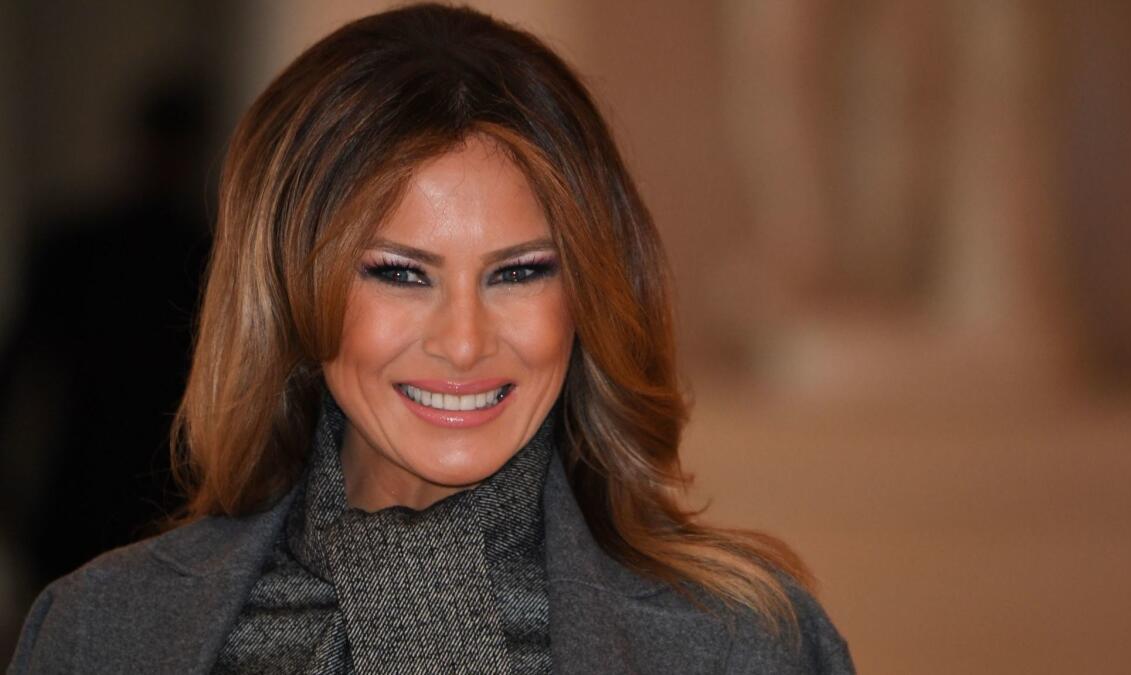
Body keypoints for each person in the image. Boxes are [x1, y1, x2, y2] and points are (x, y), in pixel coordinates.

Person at [9, 4, 855, 673]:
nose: (463, 342)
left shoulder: (748, 648)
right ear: (292, 288)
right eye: (400, 272)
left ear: (590, 293)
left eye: (520, 272)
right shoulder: (100, 632)